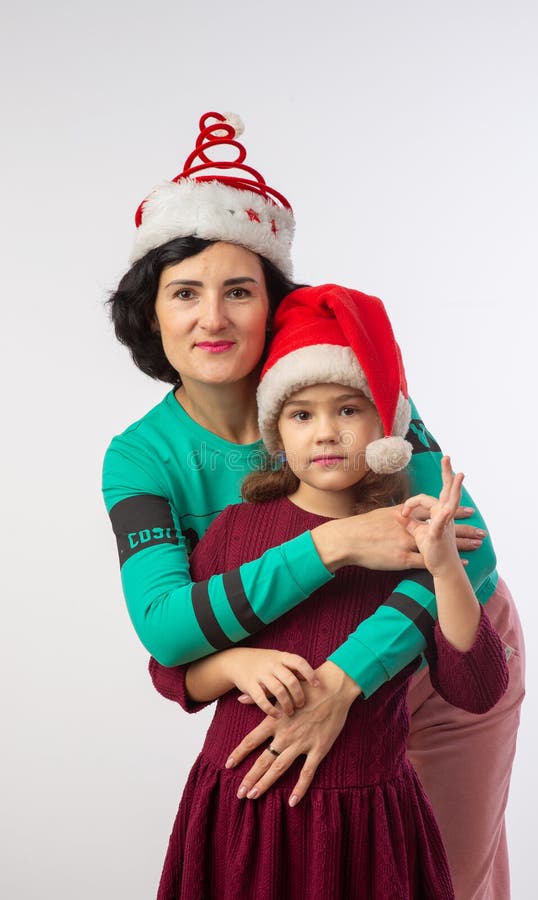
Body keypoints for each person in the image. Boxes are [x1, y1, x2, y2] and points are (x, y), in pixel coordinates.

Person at [103, 111, 525, 899]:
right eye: (184, 293)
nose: (213, 317)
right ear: (150, 313)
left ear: (272, 300)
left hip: (445, 635)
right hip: (298, 668)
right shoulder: (141, 458)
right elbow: (166, 631)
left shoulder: (340, 384)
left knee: (448, 875)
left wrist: (346, 679)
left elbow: (466, 545)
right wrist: (334, 547)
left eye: (239, 290)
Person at [148, 282, 509, 898]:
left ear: (387, 428)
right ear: (276, 432)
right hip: (244, 814)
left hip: (368, 825)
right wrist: (235, 662)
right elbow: (170, 671)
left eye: (348, 409)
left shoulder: (410, 539)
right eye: (300, 414)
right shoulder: (236, 529)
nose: (324, 433)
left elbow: (475, 688)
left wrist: (445, 567)